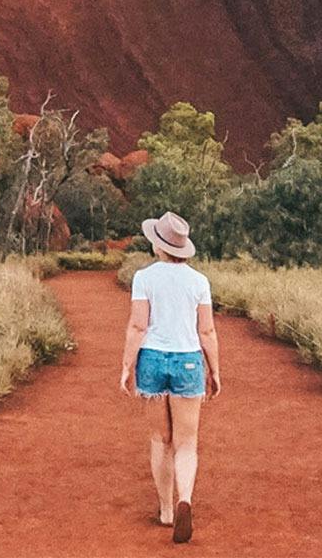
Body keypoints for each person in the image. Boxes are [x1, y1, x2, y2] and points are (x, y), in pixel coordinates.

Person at [119, 211, 221, 544]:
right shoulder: (199, 281)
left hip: (151, 359)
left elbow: (138, 326)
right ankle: (185, 499)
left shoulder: (144, 277)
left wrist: (126, 366)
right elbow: (206, 330)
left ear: (158, 245)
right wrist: (215, 371)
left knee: (160, 439)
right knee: (187, 443)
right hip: (189, 362)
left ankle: (165, 510)